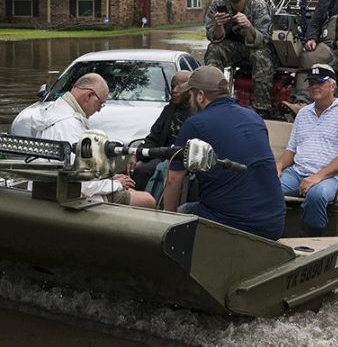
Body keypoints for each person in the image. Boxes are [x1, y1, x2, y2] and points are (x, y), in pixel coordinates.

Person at [163, 65, 286, 240]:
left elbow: (173, 180)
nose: (188, 101)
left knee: (182, 213)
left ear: (200, 96)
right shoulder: (254, 118)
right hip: (273, 223)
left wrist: (168, 223)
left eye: (190, 95)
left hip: (233, 225)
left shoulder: (195, 124)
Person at [31, 73, 156, 208]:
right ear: (89, 96)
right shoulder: (69, 126)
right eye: (101, 103)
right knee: (148, 200)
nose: (98, 110)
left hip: (48, 188)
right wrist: (115, 184)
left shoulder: (54, 112)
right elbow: (83, 183)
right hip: (71, 197)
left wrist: (109, 180)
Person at [277, 64, 338, 236]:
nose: (314, 86)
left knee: (316, 195)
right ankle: (273, 232)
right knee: (268, 187)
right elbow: (291, 149)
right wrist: (278, 167)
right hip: (298, 172)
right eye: (311, 82)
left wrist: (317, 177)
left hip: (333, 177)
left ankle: (312, 238)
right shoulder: (303, 113)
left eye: (320, 82)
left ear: (333, 86)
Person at [205, 0, 274, 118]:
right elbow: (213, 37)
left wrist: (248, 25)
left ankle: (262, 108)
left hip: (254, 46)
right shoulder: (218, 4)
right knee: (213, 50)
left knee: (260, 56)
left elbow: (263, 40)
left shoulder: (259, 6)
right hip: (232, 46)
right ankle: (214, 100)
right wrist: (218, 25)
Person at [127, 70, 191, 191]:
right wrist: (137, 154)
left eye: (179, 86)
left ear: (190, 89)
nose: (174, 91)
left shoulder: (198, 112)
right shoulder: (169, 110)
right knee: (140, 171)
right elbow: (153, 138)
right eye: (172, 87)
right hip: (163, 155)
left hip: (186, 160)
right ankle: (139, 205)